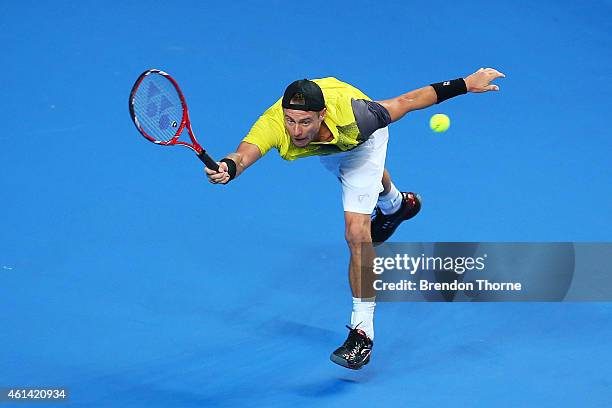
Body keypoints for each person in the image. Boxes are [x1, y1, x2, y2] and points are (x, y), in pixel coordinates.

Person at [205, 67, 505, 369]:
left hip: (364, 141)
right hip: (330, 150)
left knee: (356, 232)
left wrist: (465, 84)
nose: (296, 131)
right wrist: (229, 167)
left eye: (305, 122)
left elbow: (409, 100)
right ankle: (396, 204)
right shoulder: (275, 124)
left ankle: (363, 333)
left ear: (322, 114)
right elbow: (242, 155)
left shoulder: (360, 116)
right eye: (291, 121)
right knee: (356, 176)